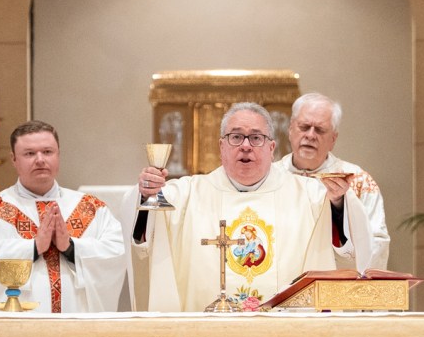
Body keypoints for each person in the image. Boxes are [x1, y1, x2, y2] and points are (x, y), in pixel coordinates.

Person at [132, 101, 370, 311]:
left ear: (271, 148)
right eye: (236, 137)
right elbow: (144, 233)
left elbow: (346, 245)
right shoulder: (186, 194)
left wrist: (338, 202)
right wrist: (146, 193)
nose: (245, 145)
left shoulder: (311, 195)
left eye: (256, 138)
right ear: (221, 146)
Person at [0, 121, 126, 312]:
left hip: (78, 329)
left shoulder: (91, 208)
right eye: (29, 153)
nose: (40, 159)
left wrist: (72, 248)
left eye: (47, 152)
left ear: (58, 155)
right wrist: (33, 247)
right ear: (14, 159)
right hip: (15, 331)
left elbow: (117, 252)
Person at [276, 93, 390, 269]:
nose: (310, 135)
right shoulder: (269, 179)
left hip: (335, 287)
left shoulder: (357, 180)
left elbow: (377, 243)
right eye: (304, 127)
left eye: (320, 130)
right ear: (291, 130)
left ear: (333, 140)